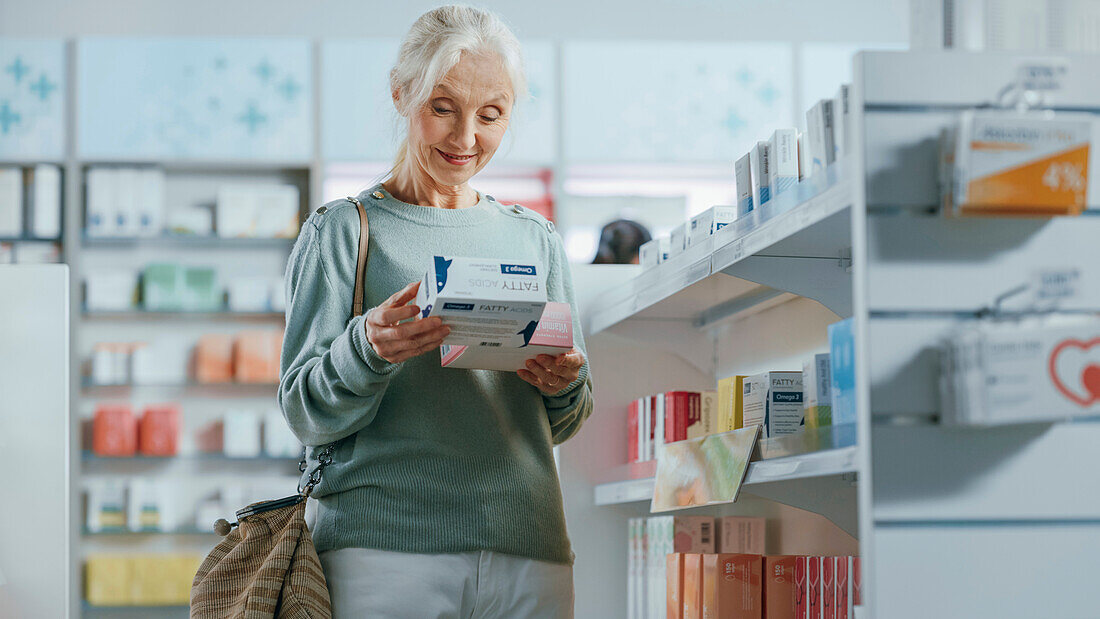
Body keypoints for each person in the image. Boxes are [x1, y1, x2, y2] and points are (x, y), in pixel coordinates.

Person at [278, 5, 593, 618]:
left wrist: (566, 382)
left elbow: (563, 420)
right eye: (442, 107)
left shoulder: (536, 238)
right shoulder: (344, 231)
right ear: (401, 94)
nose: (466, 138)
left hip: (527, 546)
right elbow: (304, 412)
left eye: (491, 114)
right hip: (383, 551)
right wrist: (366, 349)